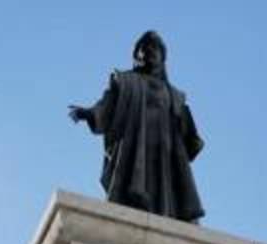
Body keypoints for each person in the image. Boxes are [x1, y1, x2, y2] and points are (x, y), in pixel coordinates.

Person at [69, 31, 205, 223]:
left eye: (153, 48)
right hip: (135, 146)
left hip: (166, 153)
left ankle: (165, 217)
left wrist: (191, 136)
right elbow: (107, 104)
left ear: (162, 56)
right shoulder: (125, 81)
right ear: (136, 55)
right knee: (137, 187)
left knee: (165, 189)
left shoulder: (174, 94)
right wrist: (90, 113)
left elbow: (186, 127)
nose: (148, 51)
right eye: (143, 48)